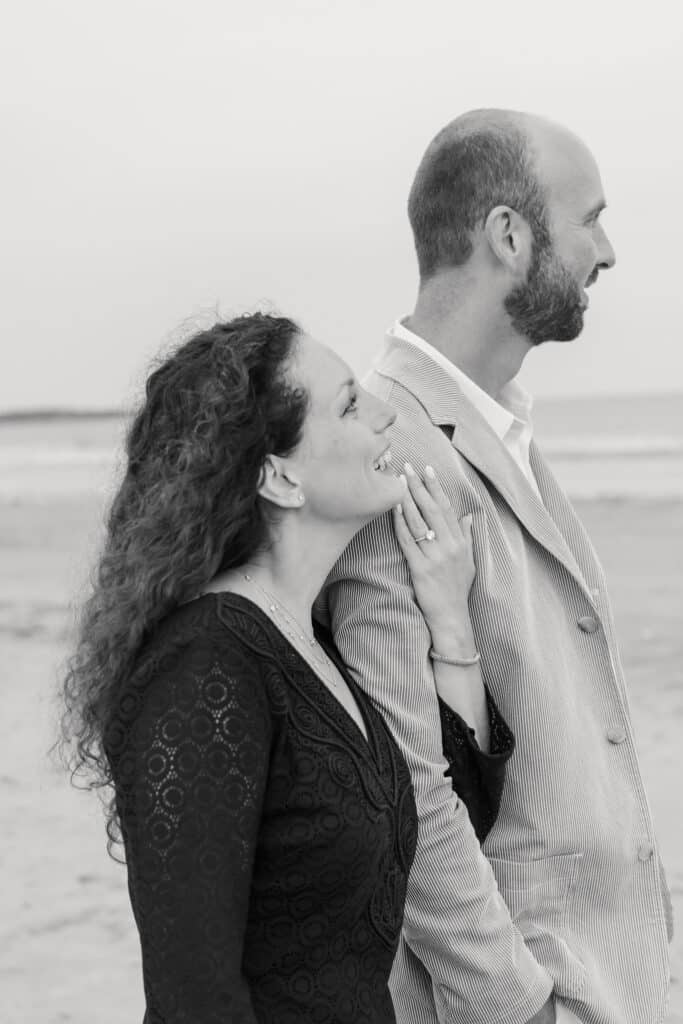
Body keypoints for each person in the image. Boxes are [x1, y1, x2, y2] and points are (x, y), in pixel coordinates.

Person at [58, 313, 514, 1023]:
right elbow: (193, 996)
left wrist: (449, 621)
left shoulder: (309, 645)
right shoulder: (204, 666)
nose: (385, 412)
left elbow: (445, 828)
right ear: (278, 476)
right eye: (349, 404)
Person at [320, 110, 673, 1024]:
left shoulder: (502, 423)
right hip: (531, 991)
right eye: (588, 217)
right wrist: (516, 1007)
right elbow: (406, 786)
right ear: (508, 236)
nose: (607, 250)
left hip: (611, 975)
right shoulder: (385, 445)